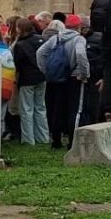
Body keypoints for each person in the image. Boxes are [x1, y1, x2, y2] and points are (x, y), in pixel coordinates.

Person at [36, 16, 89, 149]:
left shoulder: (56, 38)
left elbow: (40, 53)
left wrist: (45, 70)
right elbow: (81, 55)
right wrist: (84, 73)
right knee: (74, 110)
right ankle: (72, 142)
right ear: (79, 27)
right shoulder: (79, 39)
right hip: (73, 78)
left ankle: (56, 141)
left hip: (56, 78)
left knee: (57, 109)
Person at [11, 18, 48, 145]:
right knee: (40, 108)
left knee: (27, 109)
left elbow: (17, 63)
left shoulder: (20, 45)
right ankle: (43, 137)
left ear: (20, 29)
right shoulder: (41, 39)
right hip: (42, 77)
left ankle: (28, 139)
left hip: (26, 79)